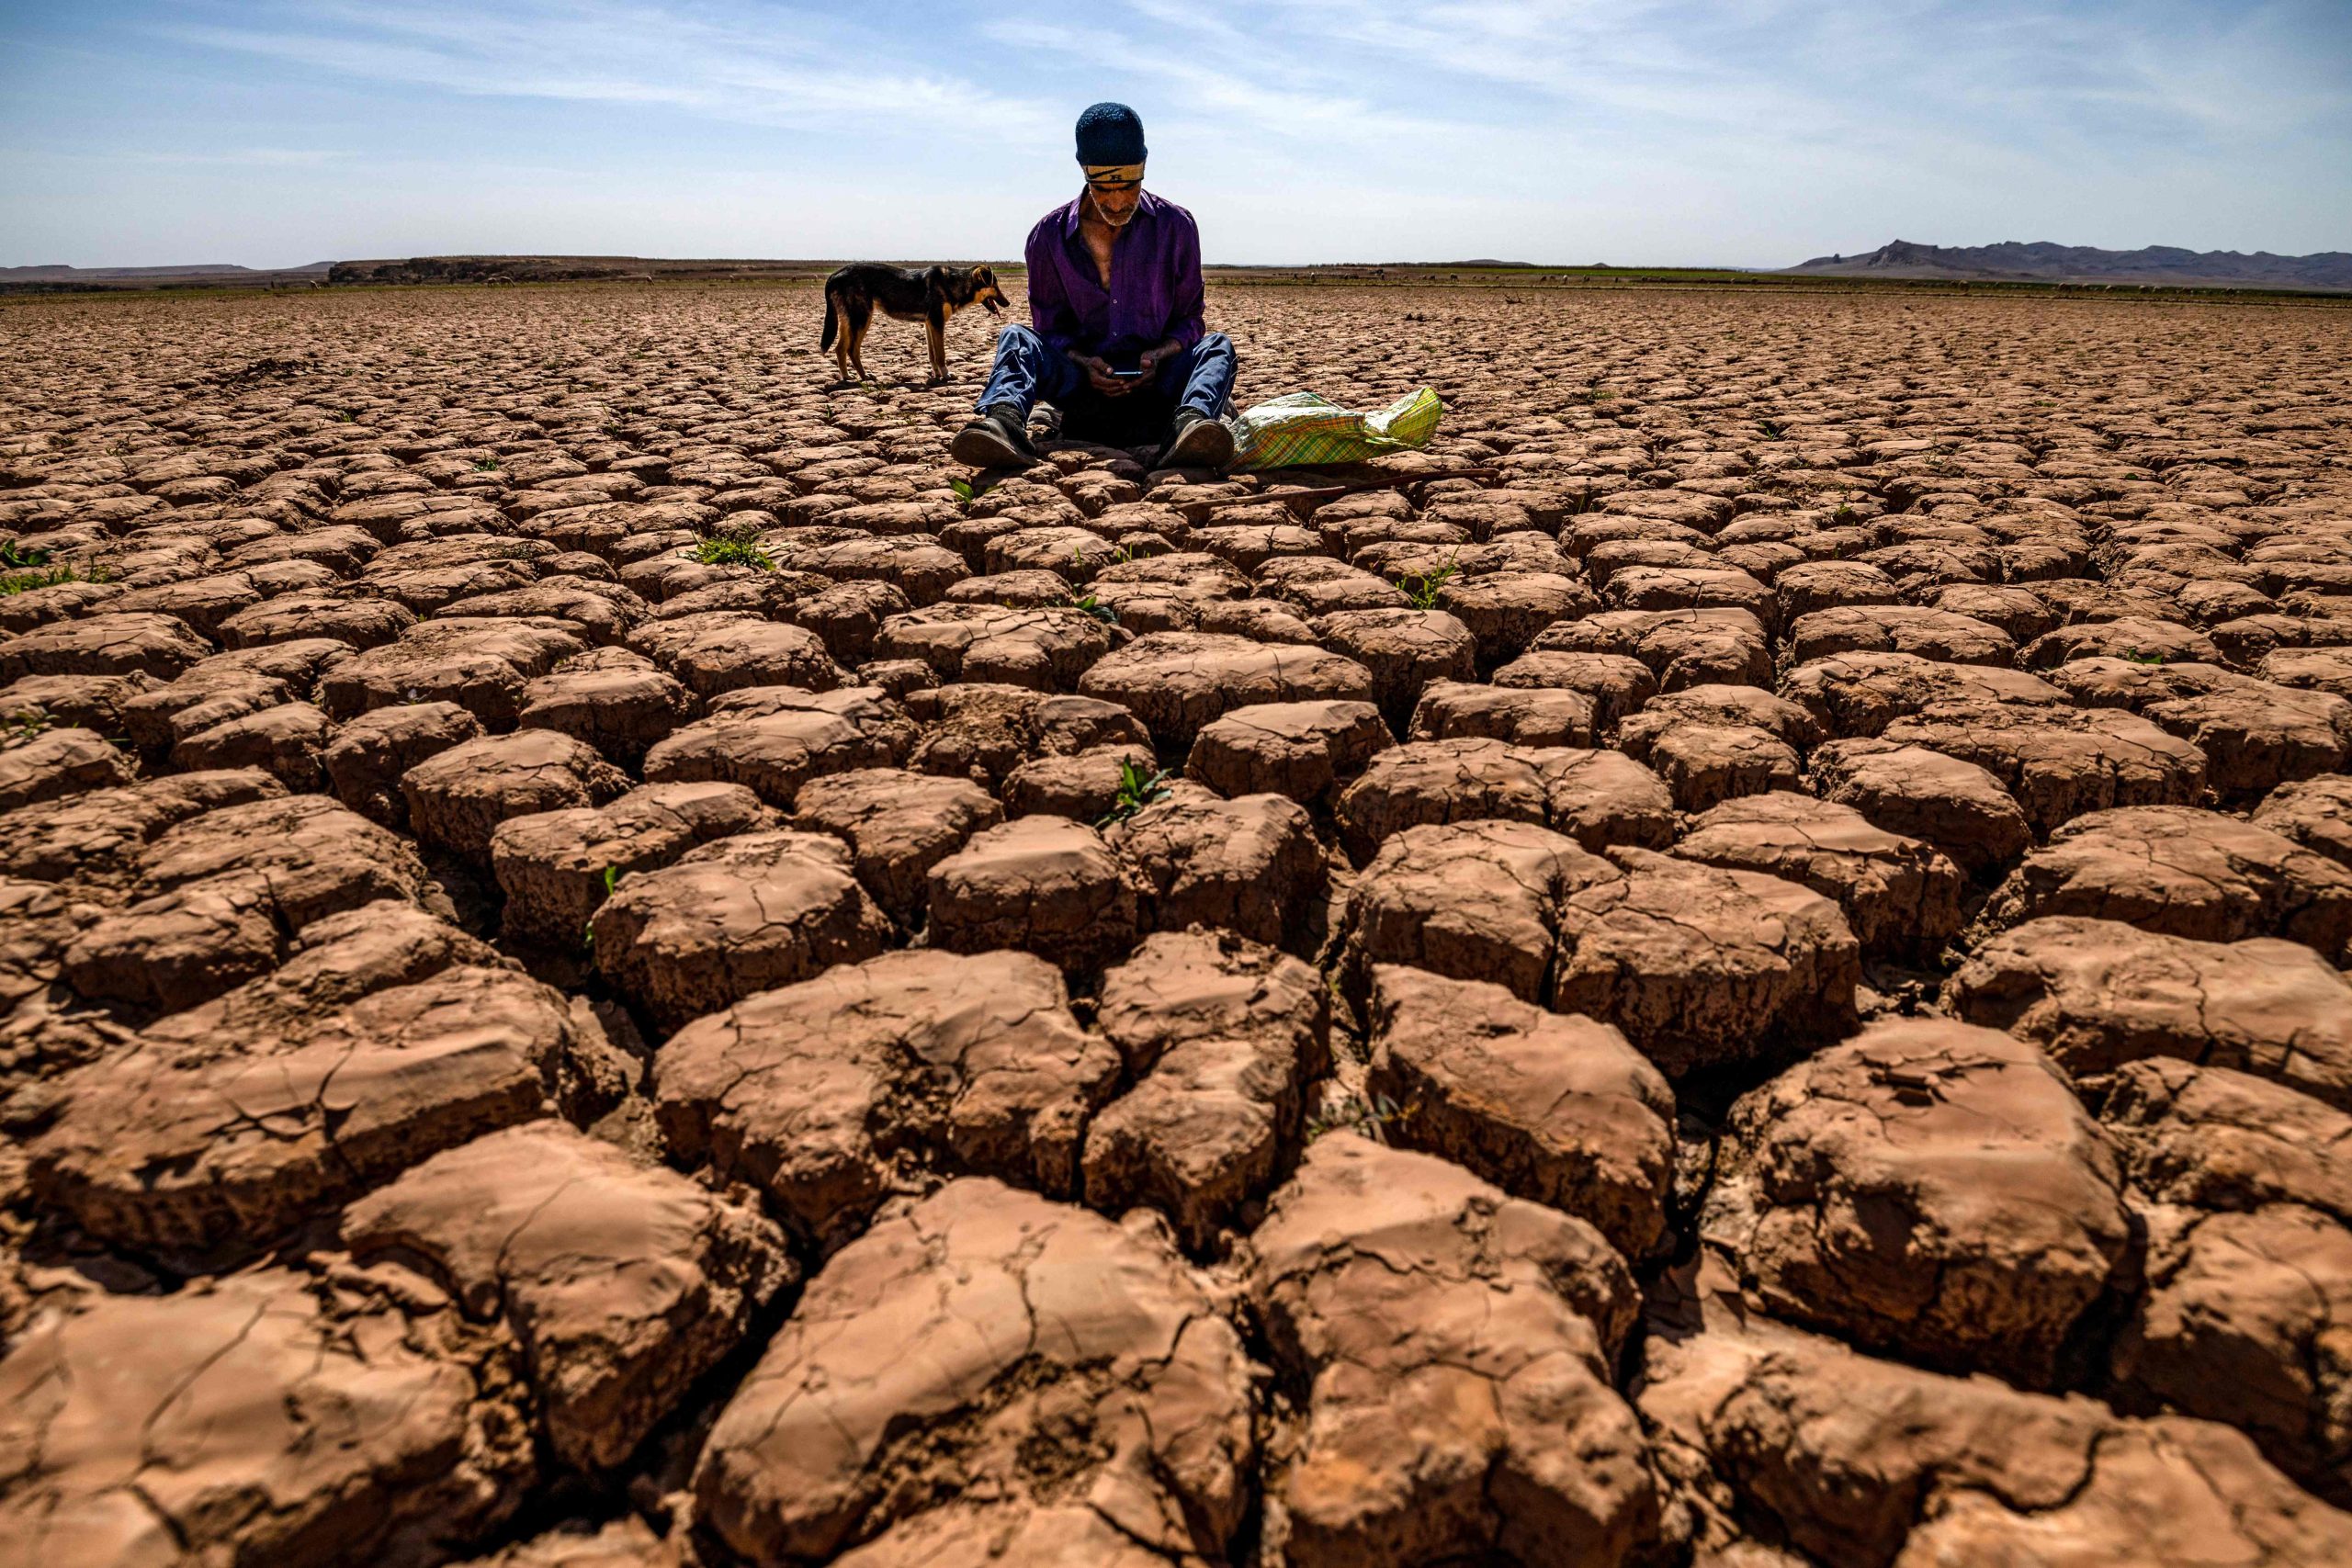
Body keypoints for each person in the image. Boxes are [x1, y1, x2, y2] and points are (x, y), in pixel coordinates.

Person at [952, 102, 1237, 470]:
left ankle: (1191, 427)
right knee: (1017, 338)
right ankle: (1004, 423)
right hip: (1082, 386)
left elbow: (1190, 322)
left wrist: (1157, 358)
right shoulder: (1048, 238)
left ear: (1144, 169)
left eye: (1129, 186)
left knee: (1217, 347)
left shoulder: (1176, 227)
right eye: (1102, 188)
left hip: (1159, 384)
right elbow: (1050, 329)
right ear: (1084, 172)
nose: (1117, 202)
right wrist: (1085, 363)